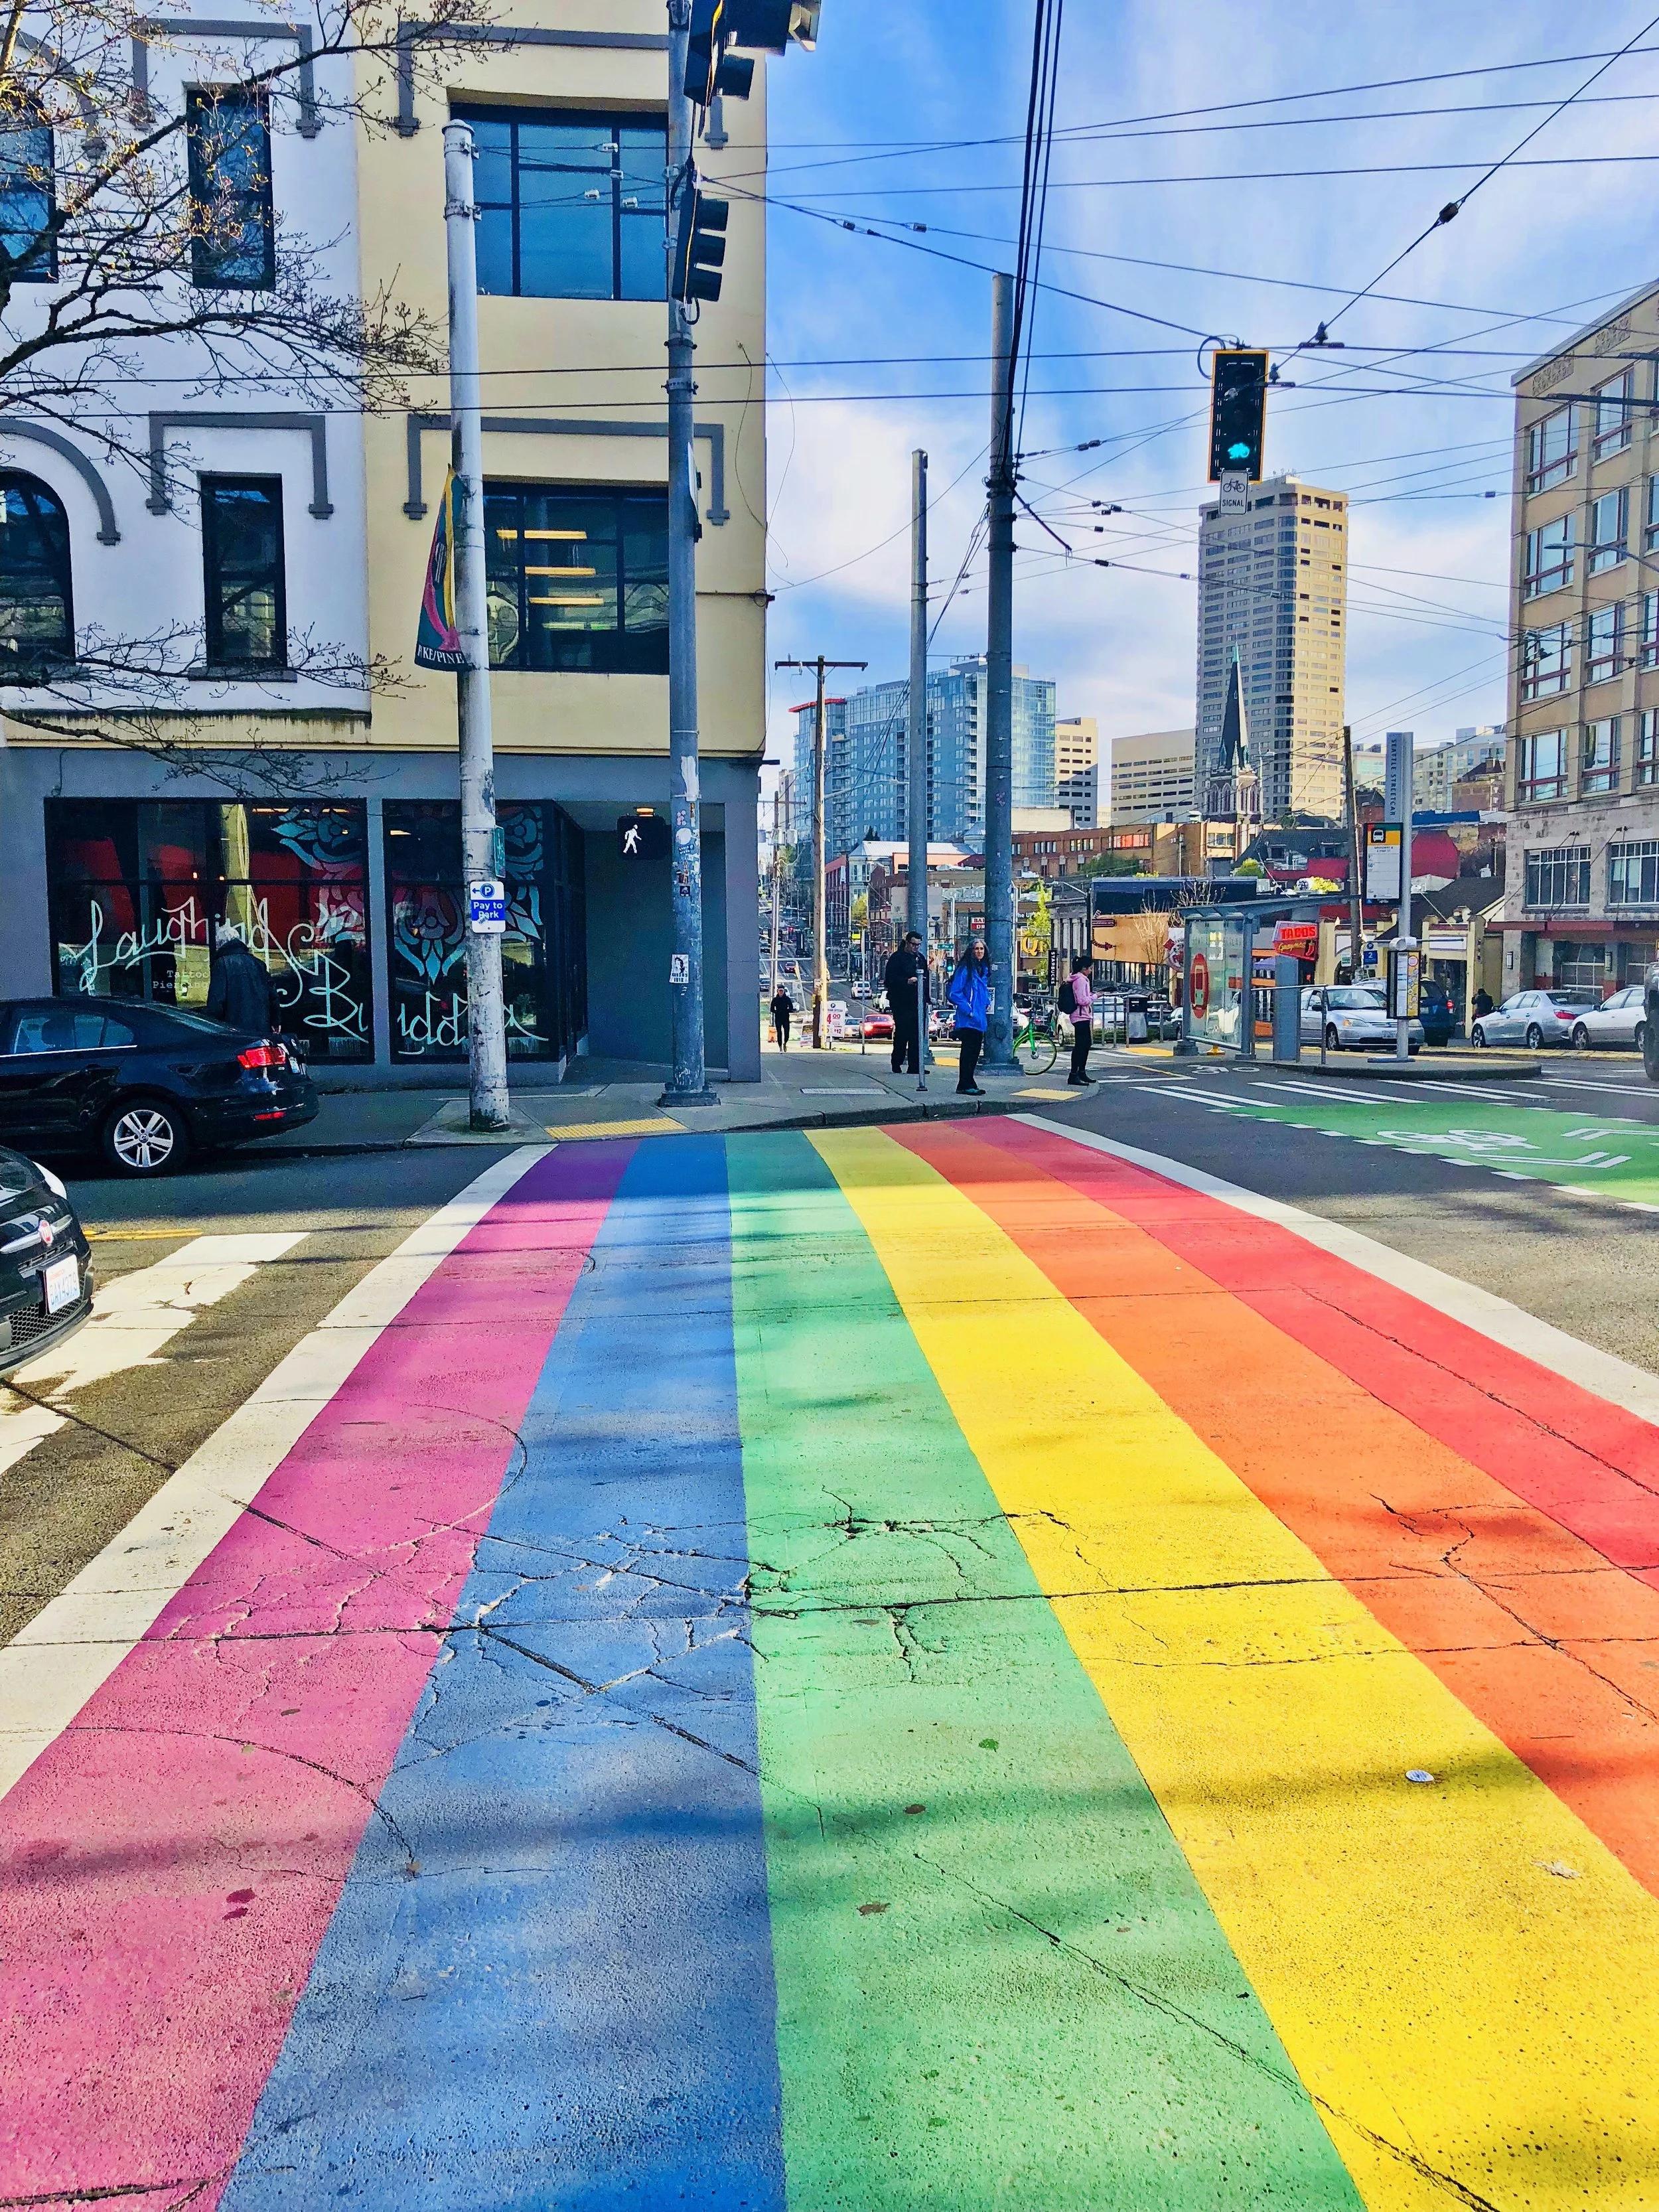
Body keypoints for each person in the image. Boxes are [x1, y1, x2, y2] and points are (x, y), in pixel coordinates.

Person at [206, 922, 273, 1034]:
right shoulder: (258, 964)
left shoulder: (221, 964)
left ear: (221, 943)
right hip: (261, 1026)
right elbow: (272, 995)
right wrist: (275, 1021)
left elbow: (216, 1001)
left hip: (234, 1029)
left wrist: (210, 1024)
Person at [946, 934, 991, 1094]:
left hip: (979, 1017)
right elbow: (954, 993)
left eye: (982, 949)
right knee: (968, 1052)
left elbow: (984, 991)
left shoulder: (982, 970)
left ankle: (969, 1082)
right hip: (969, 1018)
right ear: (971, 951)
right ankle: (965, 1084)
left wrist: (987, 1001)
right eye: (977, 949)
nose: (979, 952)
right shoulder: (966, 969)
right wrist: (969, 1010)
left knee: (974, 1052)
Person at [883, 931, 930, 1075]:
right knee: (903, 1033)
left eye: (918, 945)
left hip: (918, 1002)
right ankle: (897, 1062)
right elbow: (889, 981)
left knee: (917, 1034)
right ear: (907, 943)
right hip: (901, 1002)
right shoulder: (897, 959)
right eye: (914, 944)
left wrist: (926, 999)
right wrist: (906, 981)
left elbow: (926, 980)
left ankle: (915, 1066)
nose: (916, 947)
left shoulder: (920, 959)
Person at [1065, 955, 1095, 1085]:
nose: (1091, 971)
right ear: (1084, 969)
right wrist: (1095, 997)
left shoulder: (1076, 979)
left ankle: (1080, 1072)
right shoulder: (1081, 981)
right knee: (1082, 1046)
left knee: (1084, 1045)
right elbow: (1082, 1000)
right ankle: (1075, 1074)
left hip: (1080, 1016)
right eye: (1090, 969)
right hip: (1081, 1015)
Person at [769, 984, 794, 1050]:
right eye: (780, 991)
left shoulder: (787, 999)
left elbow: (791, 1007)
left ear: (784, 992)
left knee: (787, 1032)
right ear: (778, 991)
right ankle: (780, 1047)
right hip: (778, 1018)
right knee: (779, 1033)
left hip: (786, 1017)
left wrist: (787, 1011)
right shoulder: (775, 1000)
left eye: (782, 991)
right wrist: (777, 1012)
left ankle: (785, 1043)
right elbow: (772, 1009)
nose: (781, 992)